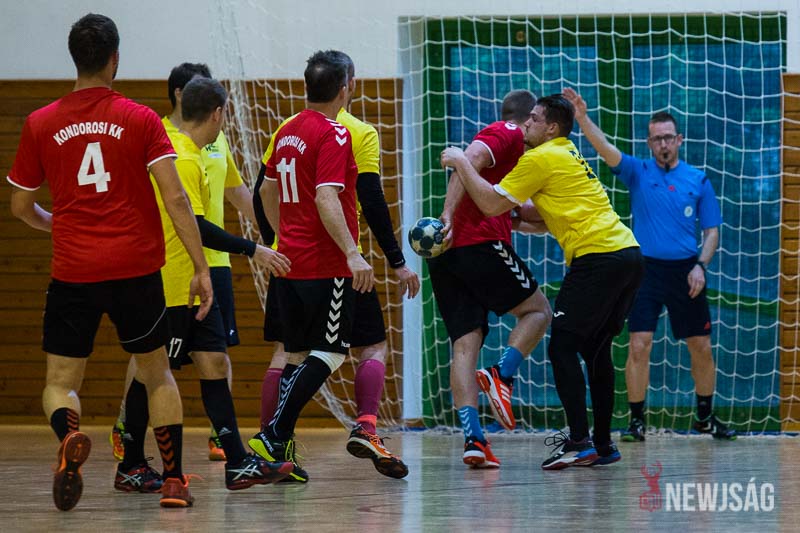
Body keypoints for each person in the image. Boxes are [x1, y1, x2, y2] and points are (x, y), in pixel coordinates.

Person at [7, 13, 212, 509]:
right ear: (115, 59)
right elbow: (176, 198)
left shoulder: (40, 122)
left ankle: (69, 438)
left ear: (74, 58)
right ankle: (173, 482)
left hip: (73, 270)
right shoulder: (141, 119)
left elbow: (20, 206)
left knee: (60, 384)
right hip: (135, 269)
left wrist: (56, 224)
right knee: (157, 374)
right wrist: (201, 267)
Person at [441, 94, 644, 470]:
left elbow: (490, 203)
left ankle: (578, 441)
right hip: (628, 254)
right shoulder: (568, 153)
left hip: (596, 258)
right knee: (596, 350)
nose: (526, 125)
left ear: (551, 127)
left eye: (534, 119)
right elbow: (541, 212)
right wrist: (516, 217)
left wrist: (458, 160)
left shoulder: (537, 158)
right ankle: (602, 444)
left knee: (562, 347)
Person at [115, 77, 293, 493]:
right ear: (217, 114)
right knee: (150, 373)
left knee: (215, 362)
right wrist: (253, 249)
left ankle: (238, 463)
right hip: (171, 284)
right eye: (224, 114)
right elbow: (195, 225)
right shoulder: (181, 157)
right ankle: (132, 463)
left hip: (197, 283)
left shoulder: (190, 151)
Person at [250, 51, 419, 481]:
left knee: (293, 353)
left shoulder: (286, 130)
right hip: (326, 264)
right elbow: (331, 197)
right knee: (332, 351)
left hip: (289, 262)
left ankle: (276, 445)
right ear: (347, 88)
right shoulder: (338, 132)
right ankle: (277, 434)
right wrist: (353, 253)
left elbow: (264, 191)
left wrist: (279, 238)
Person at [563, 88, 735, 441]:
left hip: (687, 271)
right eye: (657, 139)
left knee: (701, 346)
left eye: (668, 137)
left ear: (679, 139)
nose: (663, 144)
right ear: (649, 143)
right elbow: (605, 149)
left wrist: (701, 266)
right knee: (639, 344)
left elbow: (712, 232)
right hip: (645, 272)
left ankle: (704, 416)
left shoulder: (698, 180)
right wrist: (582, 118)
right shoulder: (637, 172)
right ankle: (637, 421)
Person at [429, 89, 552, 468]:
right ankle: (502, 374)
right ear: (528, 118)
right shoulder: (508, 133)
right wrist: (447, 214)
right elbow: (469, 159)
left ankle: (474, 439)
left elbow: (522, 214)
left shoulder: (513, 165)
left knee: (465, 345)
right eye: (538, 120)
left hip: (447, 256)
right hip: (478, 245)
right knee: (539, 311)